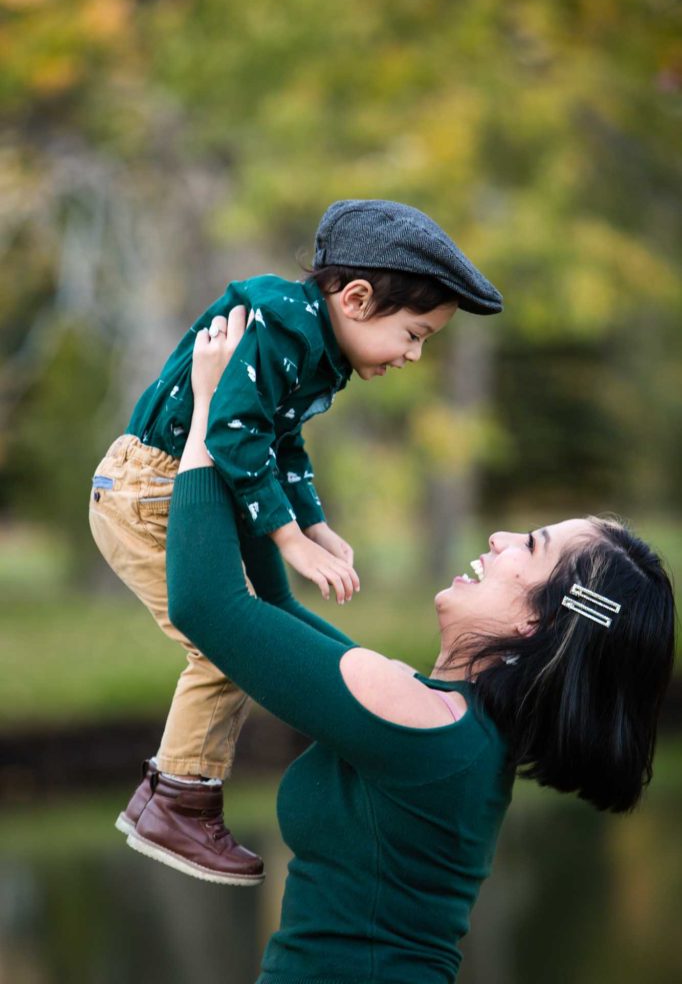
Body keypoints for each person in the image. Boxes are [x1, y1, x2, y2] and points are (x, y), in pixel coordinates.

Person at [150, 323, 674, 983]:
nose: (501, 535)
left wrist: (206, 412)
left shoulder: (420, 720)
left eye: (532, 547)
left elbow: (209, 606)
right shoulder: (443, 721)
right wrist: (253, 428)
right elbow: (272, 609)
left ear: (533, 623)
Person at [88, 199, 504, 884]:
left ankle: (383, 702)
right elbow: (234, 434)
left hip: (197, 485)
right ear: (360, 297)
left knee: (270, 621)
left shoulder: (312, 343)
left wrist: (313, 522)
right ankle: (179, 803)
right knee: (226, 647)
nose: (413, 354)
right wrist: (289, 540)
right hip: (155, 493)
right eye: (414, 333)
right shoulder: (281, 325)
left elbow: (281, 437)